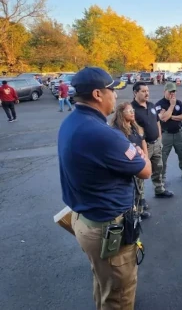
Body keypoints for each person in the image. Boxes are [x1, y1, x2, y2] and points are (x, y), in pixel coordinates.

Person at [58, 67, 152, 310]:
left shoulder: (71, 122)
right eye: (112, 91)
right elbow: (145, 171)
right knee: (119, 295)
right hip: (107, 229)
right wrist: (142, 153)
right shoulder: (104, 134)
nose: (116, 97)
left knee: (105, 285)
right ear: (98, 94)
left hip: (86, 220)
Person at [132, 82, 174, 198]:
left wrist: (159, 138)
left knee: (158, 168)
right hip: (143, 147)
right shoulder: (132, 109)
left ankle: (159, 189)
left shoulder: (151, 105)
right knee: (141, 172)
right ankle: (140, 199)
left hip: (156, 143)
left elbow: (157, 122)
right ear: (135, 92)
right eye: (143, 91)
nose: (147, 93)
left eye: (148, 91)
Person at [110, 102, 152, 219]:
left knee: (140, 189)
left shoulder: (134, 126)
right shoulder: (117, 130)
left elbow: (142, 140)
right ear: (121, 114)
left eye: (133, 111)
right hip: (129, 166)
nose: (133, 113)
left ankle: (139, 210)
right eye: (129, 111)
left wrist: (146, 158)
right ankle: (132, 214)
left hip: (139, 163)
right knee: (131, 191)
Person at [155, 82, 182, 184]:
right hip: (166, 134)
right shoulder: (159, 104)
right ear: (165, 92)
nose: (172, 94)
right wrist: (172, 106)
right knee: (163, 157)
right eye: (170, 92)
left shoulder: (179, 102)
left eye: (174, 92)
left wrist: (171, 116)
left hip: (178, 133)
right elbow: (163, 118)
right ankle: (162, 178)